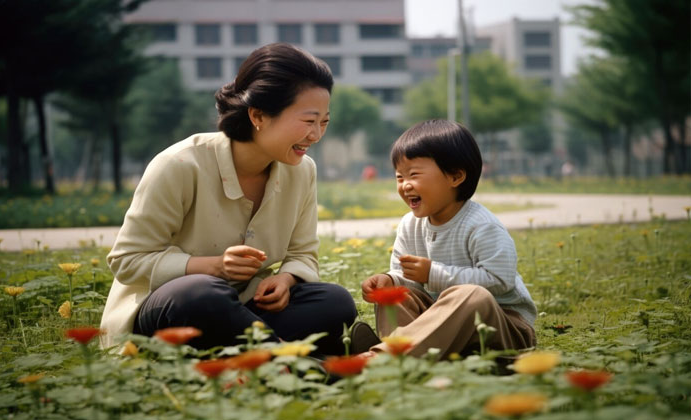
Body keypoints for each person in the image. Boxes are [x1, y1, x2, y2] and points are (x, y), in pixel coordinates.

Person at [100, 43, 357, 355]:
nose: (316, 135)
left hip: (245, 310)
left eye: (324, 122)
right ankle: (289, 360)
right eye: (308, 121)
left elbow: (302, 253)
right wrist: (214, 267)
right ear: (258, 115)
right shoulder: (180, 165)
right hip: (172, 312)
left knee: (335, 302)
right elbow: (126, 261)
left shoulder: (302, 172)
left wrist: (287, 279)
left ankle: (248, 359)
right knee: (202, 294)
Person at [356, 119, 537, 359]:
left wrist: (433, 274)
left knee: (473, 295)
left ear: (455, 176)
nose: (405, 185)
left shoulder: (481, 225)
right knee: (395, 294)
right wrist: (389, 280)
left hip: (502, 326)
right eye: (399, 177)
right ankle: (407, 356)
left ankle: (385, 357)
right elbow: (407, 279)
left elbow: (500, 279)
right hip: (438, 324)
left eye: (414, 175)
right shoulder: (410, 225)